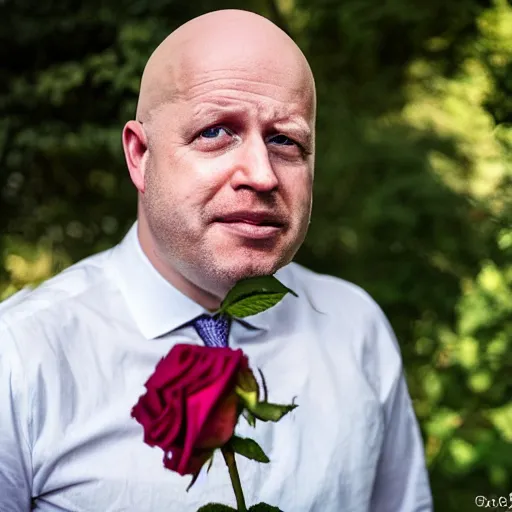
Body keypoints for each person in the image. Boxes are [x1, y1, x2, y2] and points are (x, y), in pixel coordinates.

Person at [0, 9, 433, 512]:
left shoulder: (356, 329)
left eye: (285, 140)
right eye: (215, 132)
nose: (262, 175)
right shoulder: (21, 360)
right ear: (140, 156)